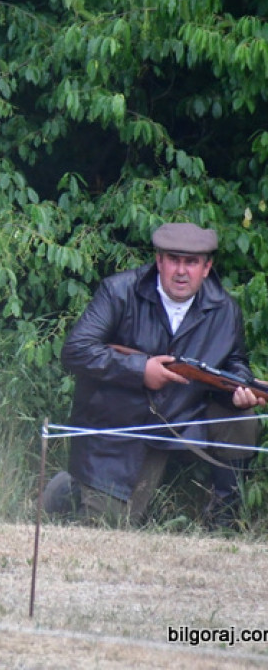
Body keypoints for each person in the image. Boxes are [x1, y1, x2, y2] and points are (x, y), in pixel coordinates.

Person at [44, 222, 262, 528]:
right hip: (120, 424)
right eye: (174, 259)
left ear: (207, 267)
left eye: (192, 262)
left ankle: (225, 519)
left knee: (242, 422)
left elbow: (234, 360)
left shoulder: (226, 309)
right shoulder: (119, 291)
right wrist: (139, 369)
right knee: (110, 526)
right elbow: (76, 350)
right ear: (159, 260)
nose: (182, 271)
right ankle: (68, 490)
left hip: (184, 417)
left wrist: (237, 389)